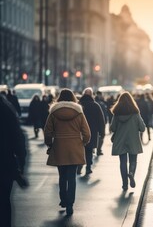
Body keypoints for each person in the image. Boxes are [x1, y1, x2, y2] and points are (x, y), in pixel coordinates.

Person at [44, 88, 91, 216]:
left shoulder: (53, 112)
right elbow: (87, 132)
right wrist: (84, 142)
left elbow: (47, 131)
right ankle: (70, 203)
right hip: (75, 147)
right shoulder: (79, 112)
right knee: (72, 177)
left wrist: (50, 144)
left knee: (62, 176)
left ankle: (63, 199)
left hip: (59, 147)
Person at [0, 94, 27, 227]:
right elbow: (18, 138)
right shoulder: (6, 109)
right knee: (4, 201)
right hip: (5, 164)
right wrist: (21, 163)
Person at [110, 92, 146, 191]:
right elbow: (142, 128)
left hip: (120, 140)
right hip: (133, 140)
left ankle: (124, 184)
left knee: (122, 162)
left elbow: (113, 128)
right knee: (133, 160)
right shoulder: (135, 113)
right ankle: (131, 173)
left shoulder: (116, 114)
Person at [78, 87, 105, 174]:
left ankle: (79, 167)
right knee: (89, 150)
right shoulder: (95, 105)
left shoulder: (78, 105)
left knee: (80, 150)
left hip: (79, 131)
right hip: (92, 131)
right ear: (92, 95)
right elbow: (101, 120)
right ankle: (88, 167)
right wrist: (102, 132)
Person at [95, 90, 108, 155]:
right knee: (101, 136)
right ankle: (99, 149)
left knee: (94, 135)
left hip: (94, 122)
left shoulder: (94, 103)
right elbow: (105, 114)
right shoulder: (102, 104)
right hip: (101, 122)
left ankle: (95, 148)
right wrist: (105, 121)